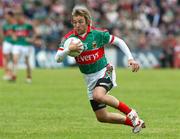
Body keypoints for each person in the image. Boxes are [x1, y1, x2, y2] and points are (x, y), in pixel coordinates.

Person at [55, 5, 145, 133]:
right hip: (89, 78)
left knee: (98, 95)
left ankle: (131, 112)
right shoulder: (68, 39)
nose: (77, 25)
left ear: (87, 22)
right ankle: (135, 123)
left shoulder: (97, 34)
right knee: (102, 117)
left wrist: (130, 58)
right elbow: (58, 58)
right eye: (74, 22)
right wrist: (69, 50)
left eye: (80, 22)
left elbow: (118, 41)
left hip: (105, 71)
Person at [11, 9, 34, 83]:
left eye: (18, 17)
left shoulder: (27, 25)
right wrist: (14, 37)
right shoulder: (14, 26)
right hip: (17, 45)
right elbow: (13, 34)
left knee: (26, 62)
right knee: (15, 59)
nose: (16, 19)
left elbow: (36, 32)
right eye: (15, 17)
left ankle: (29, 76)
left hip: (25, 45)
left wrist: (31, 39)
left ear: (21, 17)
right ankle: (14, 75)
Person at [0, 10, 15, 80]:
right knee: (6, 58)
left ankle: (11, 73)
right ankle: (7, 73)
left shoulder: (15, 24)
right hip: (7, 42)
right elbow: (2, 34)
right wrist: (2, 42)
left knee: (12, 59)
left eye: (7, 16)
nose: (5, 17)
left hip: (14, 43)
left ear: (11, 16)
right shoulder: (5, 25)